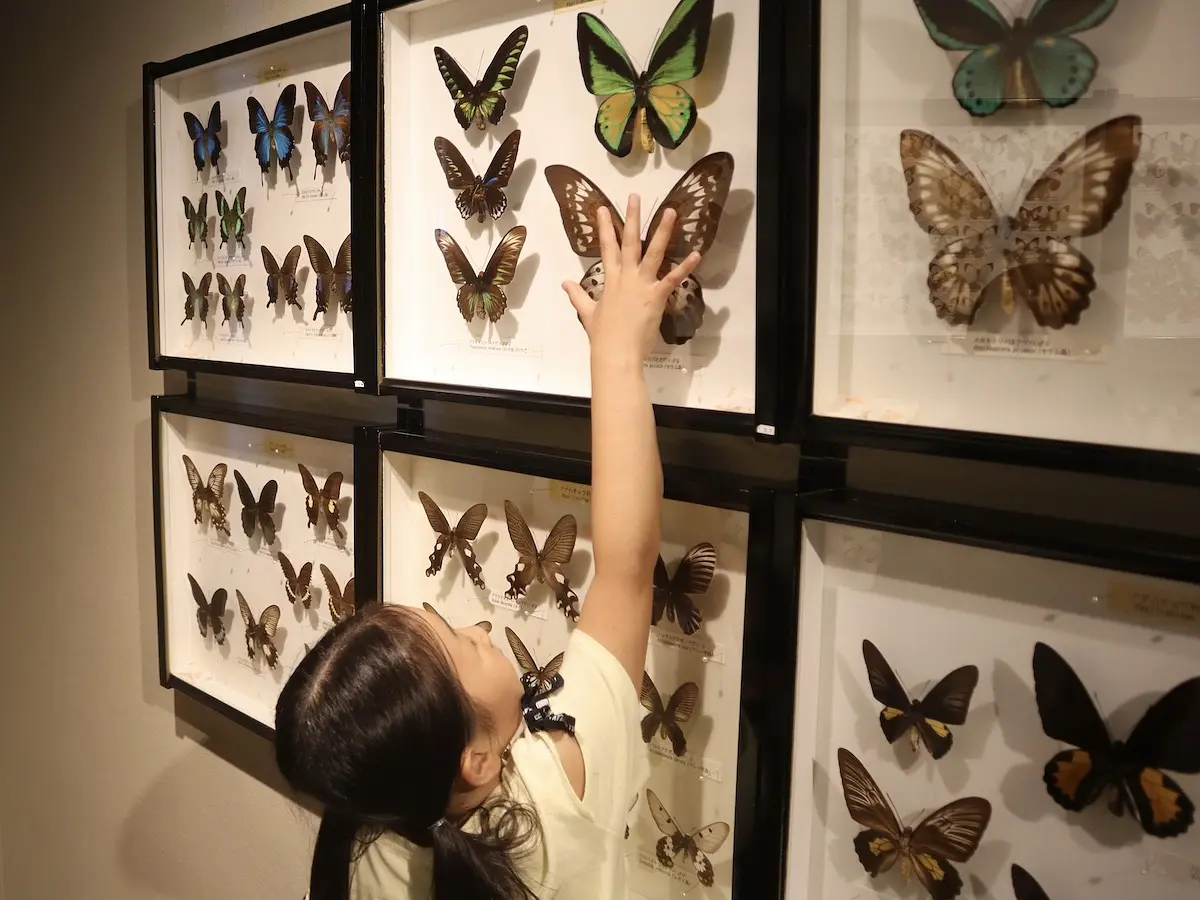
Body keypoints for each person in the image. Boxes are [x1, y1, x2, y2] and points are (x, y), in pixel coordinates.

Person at [274, 195, 703, 900]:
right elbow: (627, 570)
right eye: (466, 646)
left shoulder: (371, 835)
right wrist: (618, 351)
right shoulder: (552, 793)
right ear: (477, 762)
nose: (479, 625)